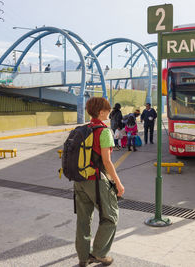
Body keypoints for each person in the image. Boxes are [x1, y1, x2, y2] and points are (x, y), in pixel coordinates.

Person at [74, 97, 124, 267]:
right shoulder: (103, 132)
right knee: (111, 217)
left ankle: (83, 257)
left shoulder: (83, 129)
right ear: (101, 112)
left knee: (83, 219)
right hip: (95, 180)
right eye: (107, 110)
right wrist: (118, 183)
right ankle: (99, 254)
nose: (109, 112)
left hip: (79, 180)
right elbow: (107, 161)